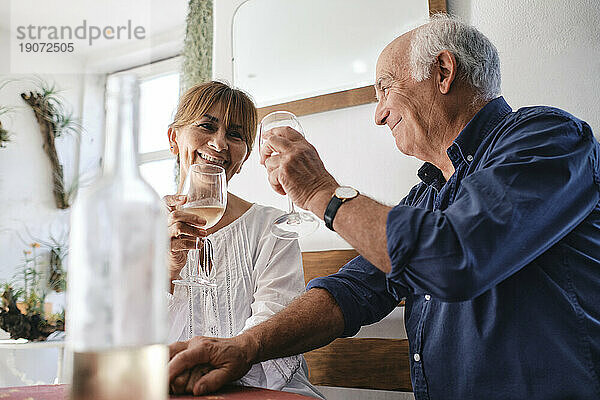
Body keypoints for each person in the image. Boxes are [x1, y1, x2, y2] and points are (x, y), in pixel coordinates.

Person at [168, 16, 600, 400]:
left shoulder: (548, 137)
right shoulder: (428, 196)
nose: (378, 114)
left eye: (384, 89)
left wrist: (321, 190)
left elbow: (458, 256)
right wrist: (245, 347)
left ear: (443, 72)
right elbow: (351, 292)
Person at [164, 81, 323, 399]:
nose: (220, 143)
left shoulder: (272, 228)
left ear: (245, 156)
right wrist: (167, 272)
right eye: (207, 125)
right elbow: (127, 343)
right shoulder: (139, 227)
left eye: (235, 135)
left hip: (262, 389)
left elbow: (274, 322)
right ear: (173, 138)